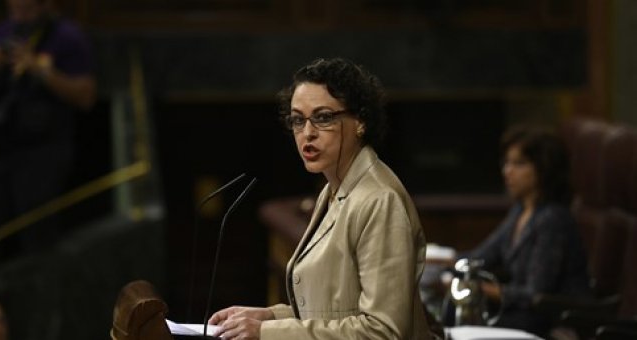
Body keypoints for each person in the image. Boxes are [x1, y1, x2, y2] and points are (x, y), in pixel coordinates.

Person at [207, 57, 434, 340]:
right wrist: (269, 316)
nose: (307, 133)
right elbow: (337, 309)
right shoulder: (334, 187)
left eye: (323, 117)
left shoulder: (379, 200)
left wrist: (266, 332)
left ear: (360, 121)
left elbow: (382, 330)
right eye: (298, 120)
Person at [0, 0, 96, 262]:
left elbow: (86, 97)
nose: (20, 15)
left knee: (38, 237)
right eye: (14, 9)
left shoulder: (67, 37)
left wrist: (39, 70)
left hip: (43, 152)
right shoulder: (4, 32)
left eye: (27, 9)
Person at [447, 125, 591, 336]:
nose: (507, 171)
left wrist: (476, 289)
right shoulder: (521, 210)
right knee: (451, 313)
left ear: (544, 168)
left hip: (552, 320)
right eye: (506, 163)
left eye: (519, 164)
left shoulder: (553, 219)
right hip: (522, 313)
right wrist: (437, 264)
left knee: (459, 321)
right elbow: (481, 257)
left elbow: (536, 294)